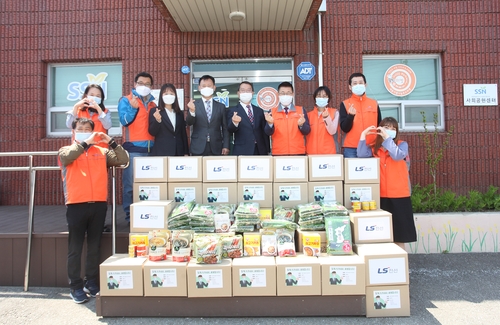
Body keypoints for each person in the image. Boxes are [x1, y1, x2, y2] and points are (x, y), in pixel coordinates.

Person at [58, 117, 129, 304]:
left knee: (94, 246)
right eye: (80, 128)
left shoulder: (101, 151)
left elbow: (123, 159)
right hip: (76, 204)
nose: (84, 130)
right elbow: (66, 158)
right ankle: (75, 285)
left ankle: (91, 281)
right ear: (74, 131)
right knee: (75, 248)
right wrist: (84, 143)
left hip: (98, 204)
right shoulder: (67, 150)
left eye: (87, 128)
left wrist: (111, 142)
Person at [357, 117, 417, 249]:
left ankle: (402, 265)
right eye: (386, 128)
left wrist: (387, 139)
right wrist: (363, 135)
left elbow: (397, 156)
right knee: (382, 234)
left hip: (400, 195)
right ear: (380, 130)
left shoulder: (402, 145)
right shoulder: (374, 148)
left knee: (399, 235)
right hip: (381, 196)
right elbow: (361, 154)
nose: (390, 131)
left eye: (393, 129)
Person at [118, 72, 156, 223]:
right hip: (133, 149)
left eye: (147, 84)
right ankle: (130, 217)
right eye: (141, 83)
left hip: (151, 150)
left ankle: (147, 215)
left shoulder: (153, 103)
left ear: (151, 87)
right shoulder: (126, 100)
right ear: (134, 85)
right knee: (130, 186)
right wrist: (133, 109)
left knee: (149, 187)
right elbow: (124, 120)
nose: (144, 86)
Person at [339, 72, 382, 158]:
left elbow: (380, 125)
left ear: (365, 85)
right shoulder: (345, 104)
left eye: (360, 82)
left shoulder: (374, 103)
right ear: (350, 87)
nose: (358, 85)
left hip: (371, 146)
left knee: (371, 171)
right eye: (355, 83)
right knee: (351, 171)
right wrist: (350, 116)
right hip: (351, 148)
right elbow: (344, 128)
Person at [186, 75, 229, 156]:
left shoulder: (221, 106)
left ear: (214, 87)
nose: (206, 88)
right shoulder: (194, 105)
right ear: (199, 88)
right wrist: (192, 111)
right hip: (198, 146)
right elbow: (189, 122)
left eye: (209, 86)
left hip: (216, 146)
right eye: (203, 86)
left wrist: (226, 146)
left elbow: (225, 128)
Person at [264, 82, 311, 155]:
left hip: (298, 152)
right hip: (278, 153)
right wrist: (270, 124)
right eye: (282, 93)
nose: (285, 95)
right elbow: (267, 132)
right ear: (278, 95)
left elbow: (307, 131)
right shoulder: (272, 112)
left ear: (292, 94)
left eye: (288, 93)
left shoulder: (301, 110)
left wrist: (302, 125)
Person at [227, 81, 269, 155]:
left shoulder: (259, 111)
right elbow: (230, 130)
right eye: (243, 90)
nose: (245, 92)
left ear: (252, 93)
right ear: (238, 93)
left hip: (259, 149)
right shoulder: (233, 110)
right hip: (242, 150)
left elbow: (264, 132)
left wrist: (267, 149)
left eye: (248, 90)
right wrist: (234, 123)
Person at [148, 83, 189, 156]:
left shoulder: (179, 113)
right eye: (166, 93)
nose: (169, 96)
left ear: (175, 96)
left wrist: (186, 152)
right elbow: (152, 132)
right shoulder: (155, 111)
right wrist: (158, 121)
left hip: (178, 151)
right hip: (162, 151)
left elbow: (183, 134)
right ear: (161, 96)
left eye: (171, 93)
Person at [306, 86, 340, 154]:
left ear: (328, 98)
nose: (321, 98)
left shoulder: (334, 112)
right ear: (315, 98)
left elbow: (332, 131)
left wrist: (327, 117)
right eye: (319, 96)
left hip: (328, 153)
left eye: (324, 96)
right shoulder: (308, 115)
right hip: (311, 153)